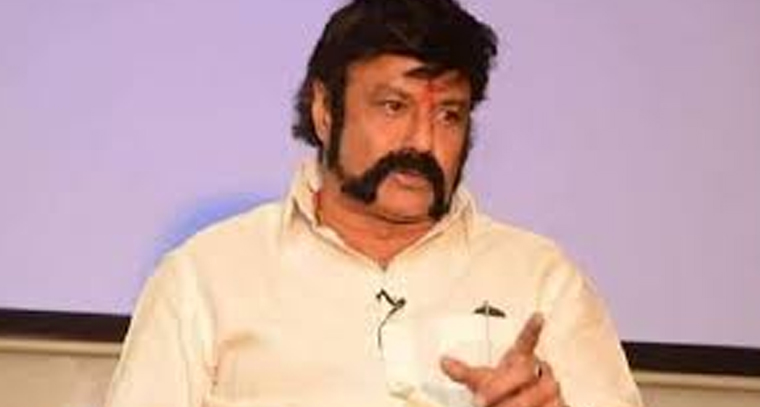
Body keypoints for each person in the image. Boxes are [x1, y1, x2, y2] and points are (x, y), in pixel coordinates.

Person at [105, 1, 643, 406]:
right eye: (393, 106)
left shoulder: (541, 280)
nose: (423, 142)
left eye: (449, 115)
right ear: (325, 110)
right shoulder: (205, 277)